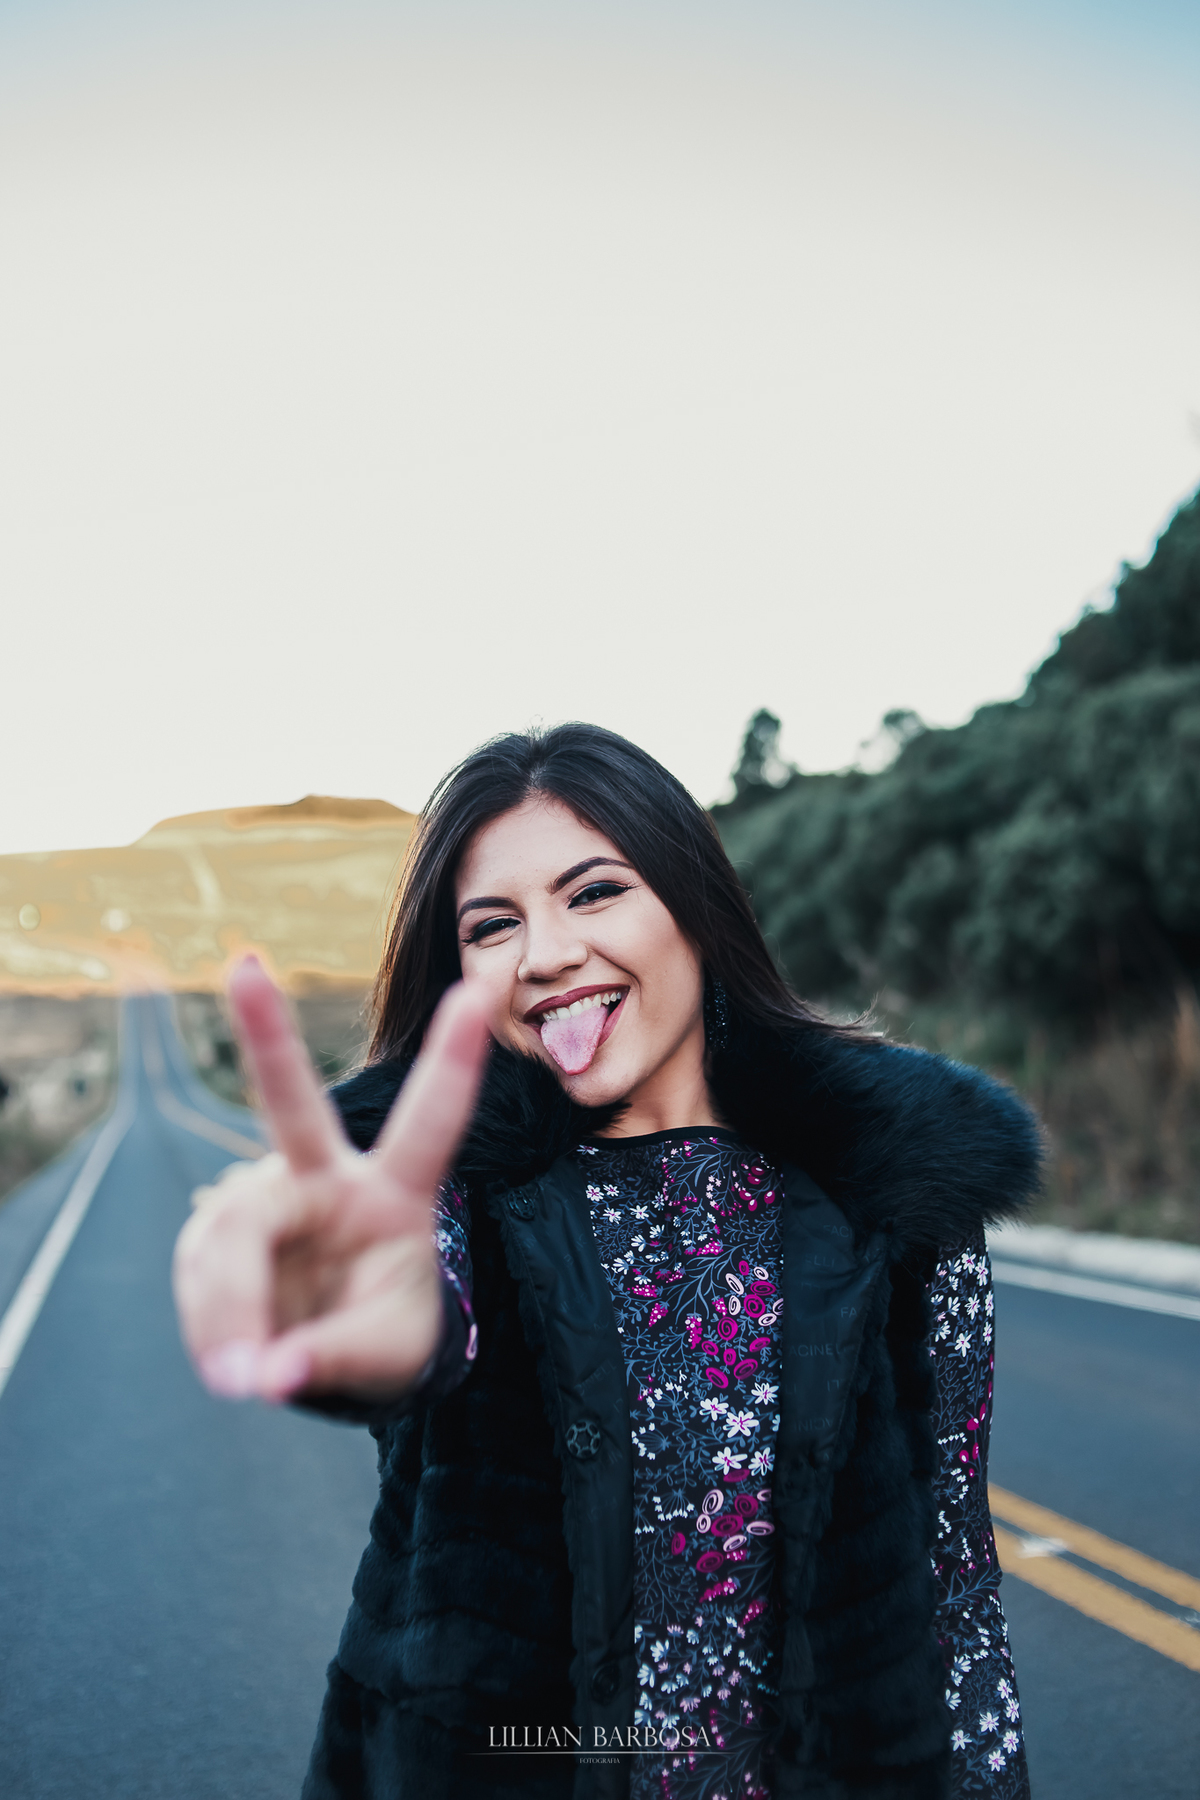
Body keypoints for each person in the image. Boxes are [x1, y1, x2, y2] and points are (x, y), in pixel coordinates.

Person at [173, 723, 1039, 1800]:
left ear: (693, 906)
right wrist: (357, 1307)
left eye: (593, 893)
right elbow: (407, 1339)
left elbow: (954, 1576)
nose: (544, 955)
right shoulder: (449, 1184)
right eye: (494, 926)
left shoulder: (897, 1187)